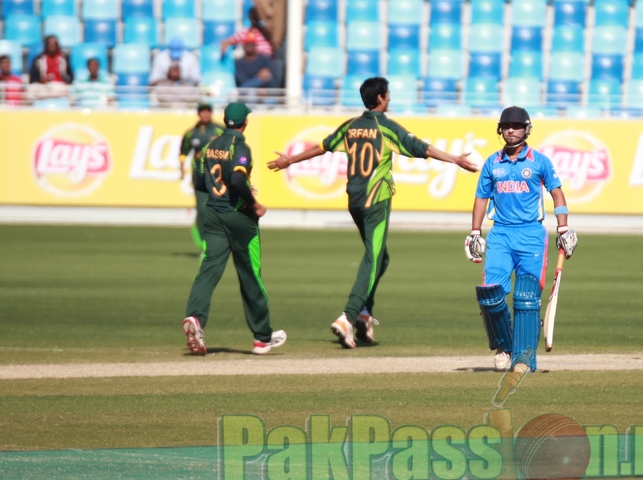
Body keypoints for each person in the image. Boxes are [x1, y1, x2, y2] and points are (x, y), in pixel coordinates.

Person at [267, 76, 477, 348]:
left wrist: (290, 160)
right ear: (379, 98)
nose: (389, 98)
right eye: (387, 94)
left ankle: (364, 315)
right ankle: (348, 316)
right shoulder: (385, 127)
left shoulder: (351, 126)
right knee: (373, 258)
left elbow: (322, 146)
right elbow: (421, 147)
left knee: (382, 257)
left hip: (354, 200)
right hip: (376, 199)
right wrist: (455, 159)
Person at [464, 106, 575, 395]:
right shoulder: (492, 163)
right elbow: (481, 198)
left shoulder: (539, 161)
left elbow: (557, 192)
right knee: (491, 295)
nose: (511, 130)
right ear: (500, 129)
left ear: (527, 129)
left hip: (531, 235)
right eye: (506, 126)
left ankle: (524, 356)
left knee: (526, 295)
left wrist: (563, 227)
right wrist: (475, 232)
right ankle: (504, 346)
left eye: (517, 126)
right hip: (500, 233)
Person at [181, 101, 286, 357]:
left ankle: (195, 318)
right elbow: (238, 178)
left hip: (214, 214)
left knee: (208, 270)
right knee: (250, 273)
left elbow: (199, 181)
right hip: (239, 217)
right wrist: (254, 202)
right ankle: (262, 337)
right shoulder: (240, 147)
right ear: (245, 122)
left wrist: (224, 190)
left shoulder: (209, 145)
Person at [181, 100, 219, 257]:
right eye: (202, 111)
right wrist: (181, 168)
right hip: (200, 176)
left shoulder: (220, 131)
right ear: (198, 113)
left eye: (207, 111)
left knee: (218, 211)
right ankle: (204, 244)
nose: (205, 114)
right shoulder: (192, 133)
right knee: (203, 210)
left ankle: (219, 244)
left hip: (218, 177)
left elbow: (230, 149)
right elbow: (183, 152)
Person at [28, 34, 72, 102]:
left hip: (59, 86)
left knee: (72, 92)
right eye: (49, 43)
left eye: (54, 43)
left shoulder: (64, 59)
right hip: (43, 86)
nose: (52, 45)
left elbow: (71, 76)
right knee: (30, 90)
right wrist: (42, 80)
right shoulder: (38, 59)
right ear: (46, 45)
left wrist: (67, 81)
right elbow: (32, 78)